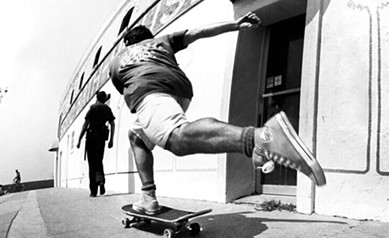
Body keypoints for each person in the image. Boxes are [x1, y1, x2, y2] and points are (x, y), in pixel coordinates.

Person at [109, 12, 325, 214]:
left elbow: (125, 87)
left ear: (128, 43)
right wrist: (235, 24)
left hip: (149, 91)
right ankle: (148, 197)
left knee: (177, 139)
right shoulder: (162, 40)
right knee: (137, 136)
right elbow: (199, 32)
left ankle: (258, 139)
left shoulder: (119, 58)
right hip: (180, 90)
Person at [77, 91, 116, 197]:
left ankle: (93, 191)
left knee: (92, 164)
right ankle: (101, 180)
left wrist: (79, 139)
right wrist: (111, 139)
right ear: (104, 99)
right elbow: (112, 123)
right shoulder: (107, 109)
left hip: (91, 138)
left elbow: (85, 124)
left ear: (97, 98)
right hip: (101, 139)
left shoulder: (92, 108)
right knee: (99, 161)